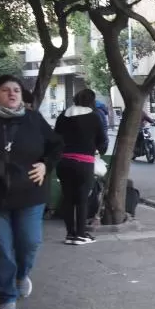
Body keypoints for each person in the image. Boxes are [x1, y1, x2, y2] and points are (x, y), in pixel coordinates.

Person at [0, 75, 63, 309]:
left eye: (16, 91)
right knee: (0, 247)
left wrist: (45, 164)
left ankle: (21, 275)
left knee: (29, 242)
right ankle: (6, 295)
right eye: (5, 90)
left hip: (30, 194)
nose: (12, 94)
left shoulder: (33, 119)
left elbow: (56, 145)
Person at [54, 89, 108, 245]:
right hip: (83, 164)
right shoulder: (94, 117)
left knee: (68, 199)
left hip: (63, 163)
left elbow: (55, 138)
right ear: (91, 101)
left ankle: (70, 234)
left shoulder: (63, 116)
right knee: (82, 199)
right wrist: (98, 149)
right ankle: (81, 234)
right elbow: (102, 141)